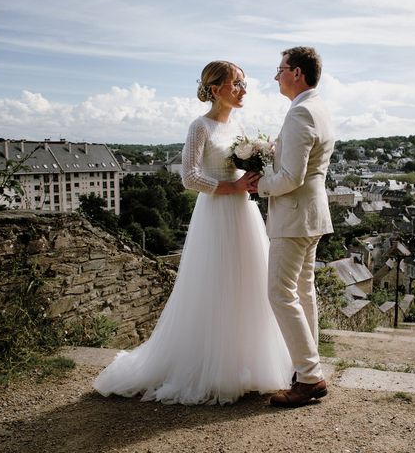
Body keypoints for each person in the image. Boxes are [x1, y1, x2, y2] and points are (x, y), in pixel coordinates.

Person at [93, 61, 293, 405]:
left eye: (244, 84)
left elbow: (244, 172)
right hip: (216, 214)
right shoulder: (199, 127)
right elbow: (189, 178)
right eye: (237, 84)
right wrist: (233, 187)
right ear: (216, 89)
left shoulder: (239, 126)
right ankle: (212, 368)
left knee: (248, 285)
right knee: (216, 286)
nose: (243, 90)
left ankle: (245, 364)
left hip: (244, 214)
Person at [249, 46, 334, 407]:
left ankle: (310, 377)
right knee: (303, 292)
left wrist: (259, 185)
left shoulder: (300, 113)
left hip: (295, 215)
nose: (276, 75)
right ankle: (306, 369)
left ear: (297, 72)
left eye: (280, 69)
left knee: (280, 294)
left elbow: (291, 177)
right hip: (311, 215)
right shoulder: (319, 108)